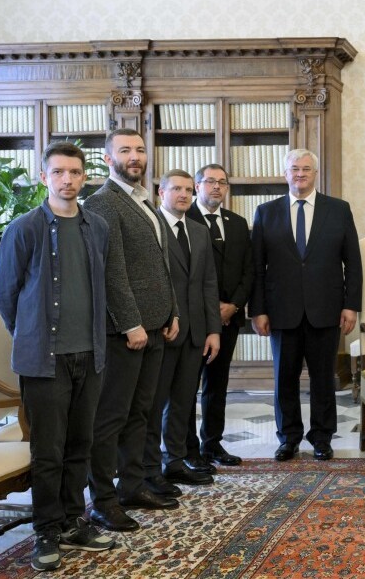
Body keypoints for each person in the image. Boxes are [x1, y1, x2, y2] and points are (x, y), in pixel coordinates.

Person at [0, 141, 115, 571]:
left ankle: (72, 521)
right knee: (49, 450)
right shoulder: (24, 229)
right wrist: (30, 334)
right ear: (44, 177)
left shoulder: (97, 227)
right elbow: (5, 295)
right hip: (44, 360)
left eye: (75, 172)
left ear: (85, 178)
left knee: (80, 444)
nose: (67, 180)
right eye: (58, 172)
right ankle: (45, 529)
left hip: (90, 354)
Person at [84, 129, 181, 532]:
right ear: (108, 159)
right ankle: (103, 501)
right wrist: (130, 323)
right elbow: (112, 270)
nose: (135, 156)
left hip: (156, 327)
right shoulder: (103, 202)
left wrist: (172, 312)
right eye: (125, 150)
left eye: (140, 149)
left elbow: (159, 265)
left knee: (142, 412)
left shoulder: (144, 200)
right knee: (111, 417)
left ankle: (133, 486)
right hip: (125, 332)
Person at [250, 149, 363, 462]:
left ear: (315, 173)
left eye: (306, 169)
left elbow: (353, 262)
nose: (300, 174)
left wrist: (351, 305)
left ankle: (322, 437)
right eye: (294, 169)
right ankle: (288, 438)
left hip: (326, 309)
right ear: (285, 173)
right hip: (280, 311)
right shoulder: (266, 212)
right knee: (284, 379)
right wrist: (258, 310)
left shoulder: (338, 210)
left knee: (323, 379)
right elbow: (257, 267)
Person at [142, 170, 222, 497]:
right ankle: (149, 470)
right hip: (163, 331)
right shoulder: (151, 227)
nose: (184, 195)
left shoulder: (199, 231)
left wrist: (213, 330)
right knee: (153, 405)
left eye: (189, 189)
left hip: (194, 333)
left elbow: (208, 283)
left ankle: (174, 461)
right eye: (176, 189)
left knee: (183, 403)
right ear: (161, 193)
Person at [184, 164, 253, 468]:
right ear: (197, 186)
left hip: (229, 318)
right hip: (195, 318)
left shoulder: (237, 223)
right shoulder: (185, 218)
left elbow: (249, 270)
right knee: (186, 387)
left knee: (217, 384)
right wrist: (212, 310)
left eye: (222, 182)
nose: (216, 187)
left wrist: (234, 305)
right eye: (210, 181)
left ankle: (212, 444)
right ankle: (186, 449)